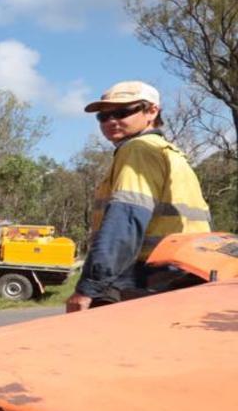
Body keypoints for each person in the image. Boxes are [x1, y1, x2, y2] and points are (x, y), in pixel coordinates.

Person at [66, 82, 211, 312]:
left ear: (152, 111)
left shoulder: (138, 150)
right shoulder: (170, 153)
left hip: (145, 279)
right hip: (184, 276)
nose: (111, 121)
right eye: (103, 116)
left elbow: (125, 222)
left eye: (123, 112)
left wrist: (89, 287)